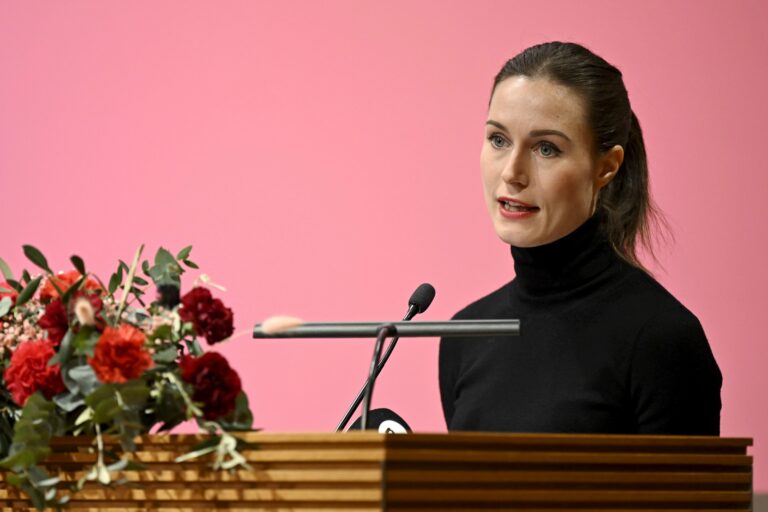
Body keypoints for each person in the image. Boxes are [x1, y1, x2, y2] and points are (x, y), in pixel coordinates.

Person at [439, 42, 722, 435]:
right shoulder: (465, 335)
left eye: (546, 148)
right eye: (499, 140)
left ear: (606, 167)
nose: (512, 173)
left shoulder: (662, 339)